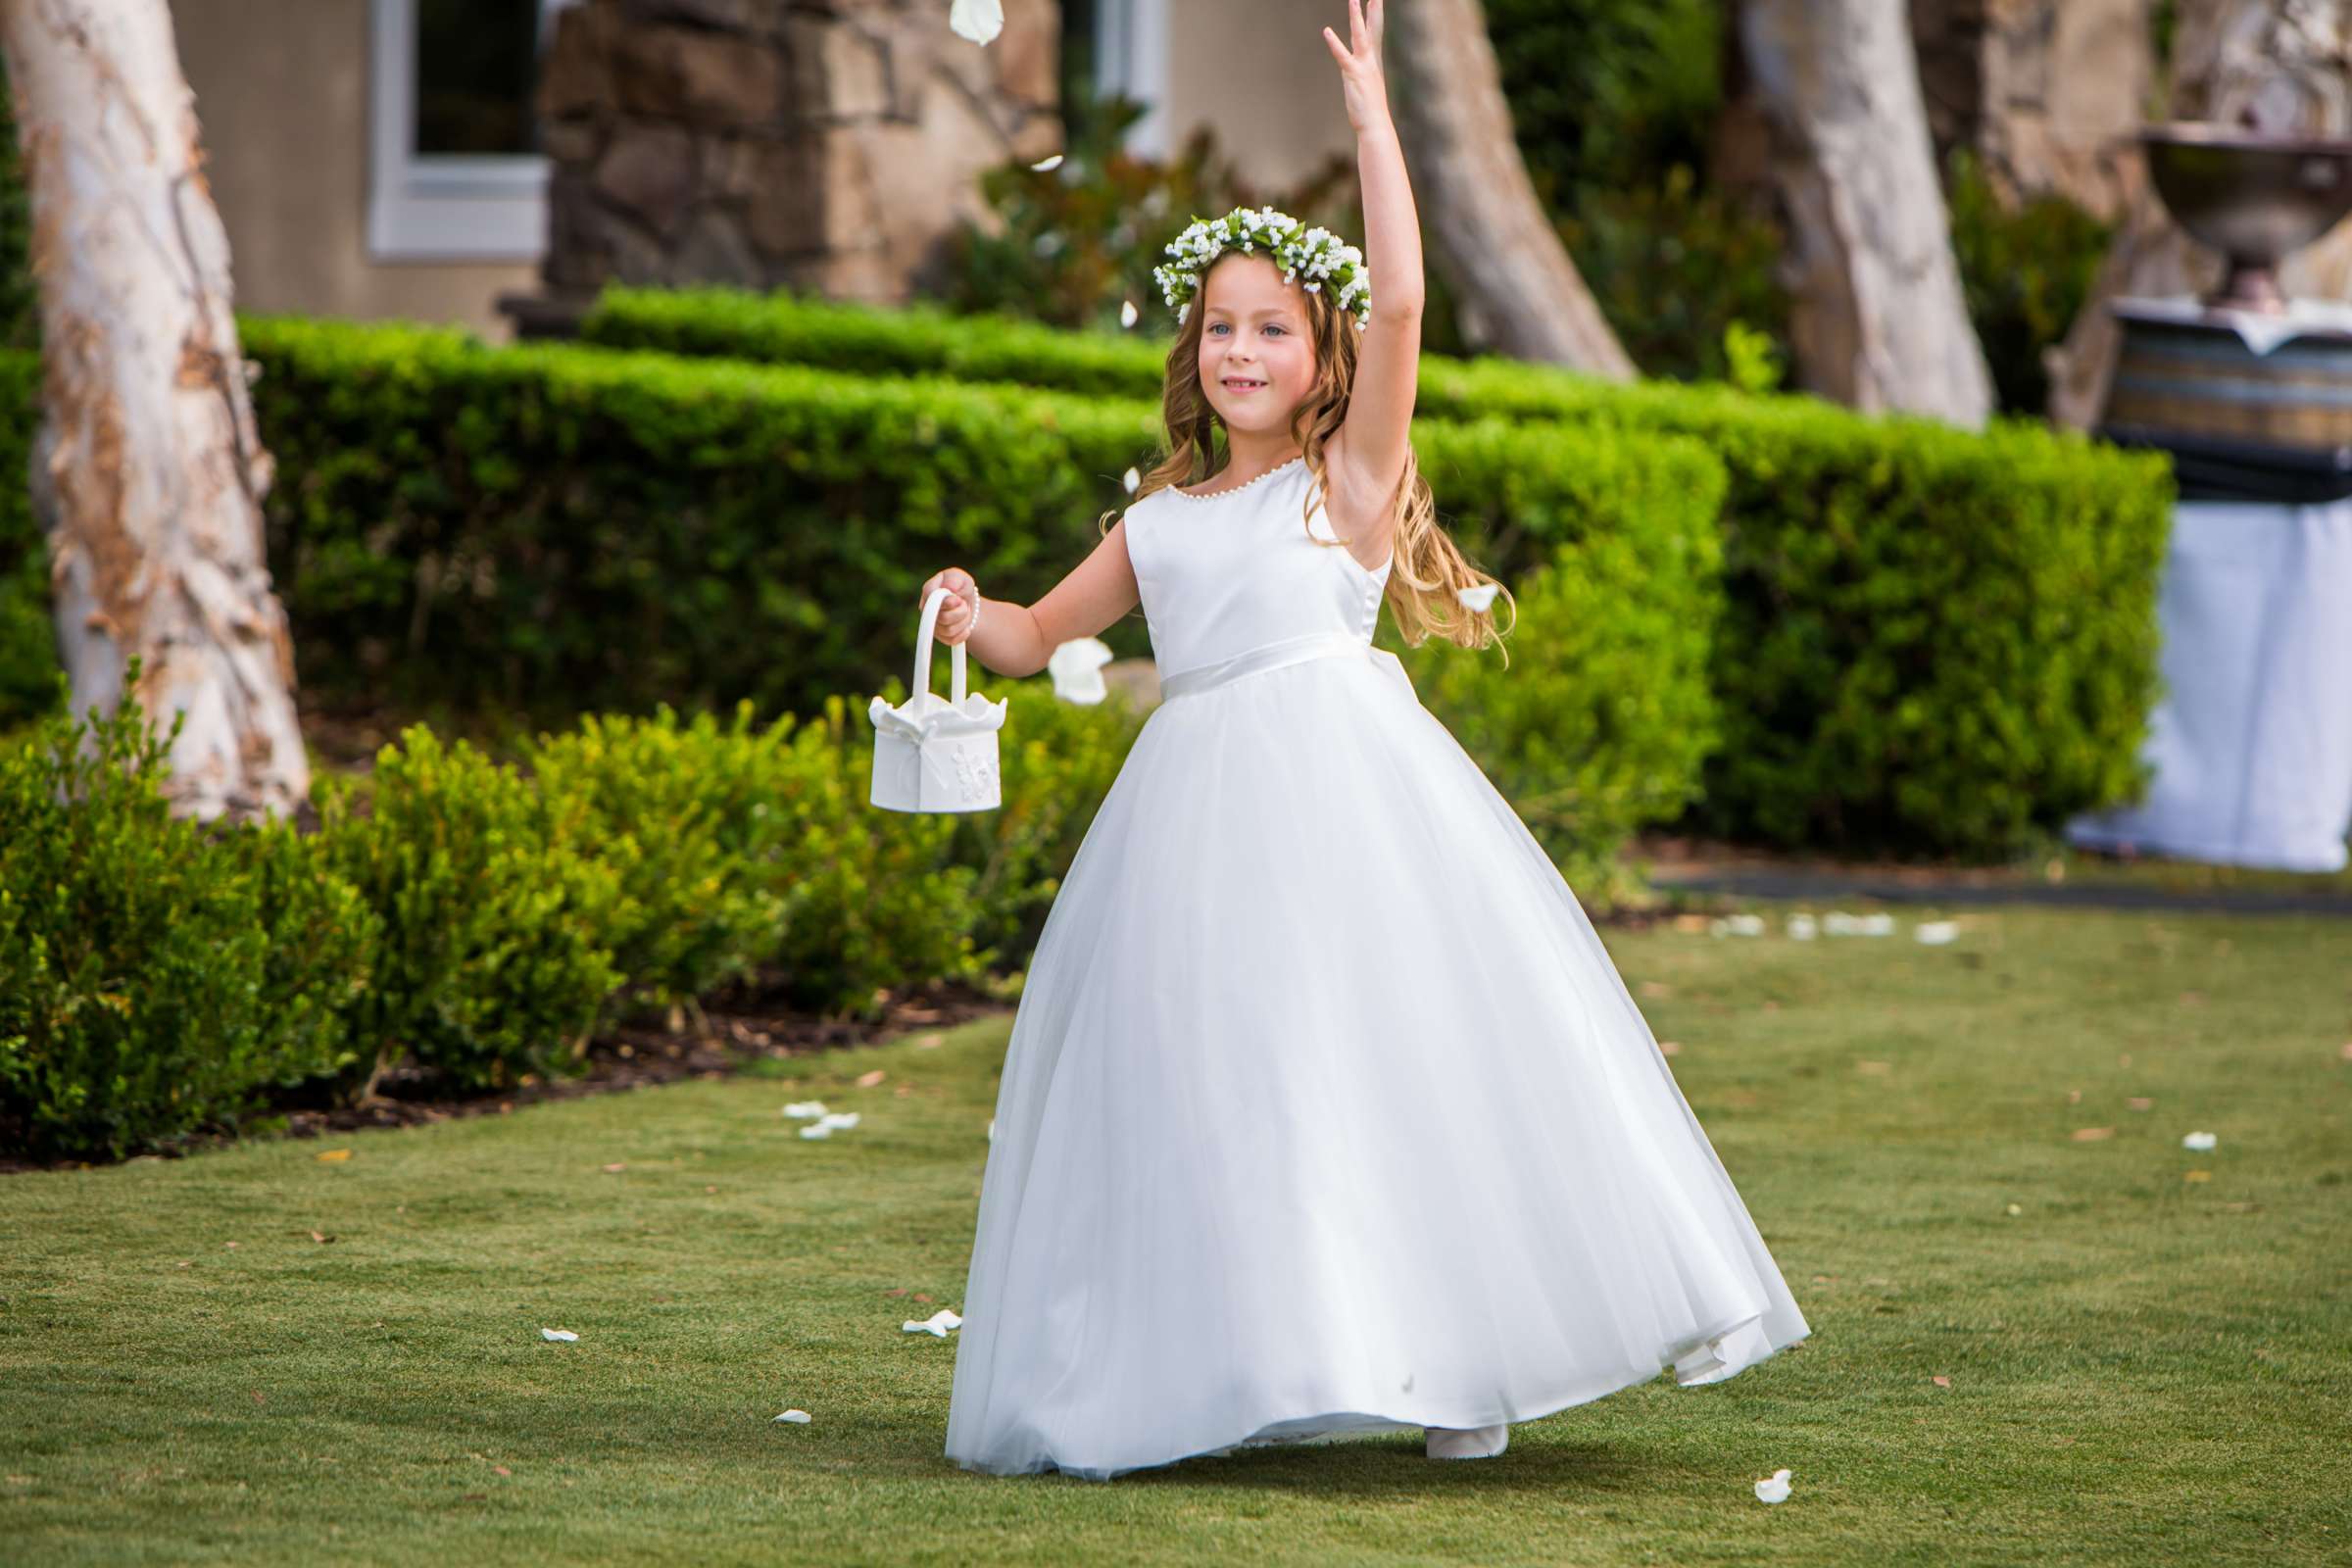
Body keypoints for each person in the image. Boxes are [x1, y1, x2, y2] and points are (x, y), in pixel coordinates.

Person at [919, 0, 1809, 1481]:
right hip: (1191, 829)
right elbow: (1035, 634)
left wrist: (1375, 120)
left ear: (1320, 356)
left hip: (1350, 806)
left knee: (1396, 1059)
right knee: (1233, 1082)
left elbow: (1402, 303)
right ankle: (1242, 1357)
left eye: (1272, 329)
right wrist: (969, 611)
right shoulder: (1159, 521)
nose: (1241, 352)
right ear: (1191, 352)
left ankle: (1460, 1359)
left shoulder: (1345, 486)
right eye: (1221, 330)